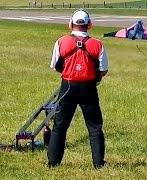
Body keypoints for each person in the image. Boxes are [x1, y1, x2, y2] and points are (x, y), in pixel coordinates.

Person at [48, 8, 108, 169]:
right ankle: (98, 163)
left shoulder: (61, 41)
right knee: (95, 127)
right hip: (89, 88)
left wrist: (69, 72)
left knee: (60, 125)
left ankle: (53, 162)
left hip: (67, 86)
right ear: (89, 24)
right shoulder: (98, 44)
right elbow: (103, 70)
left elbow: (55, 66)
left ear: (70, 24)